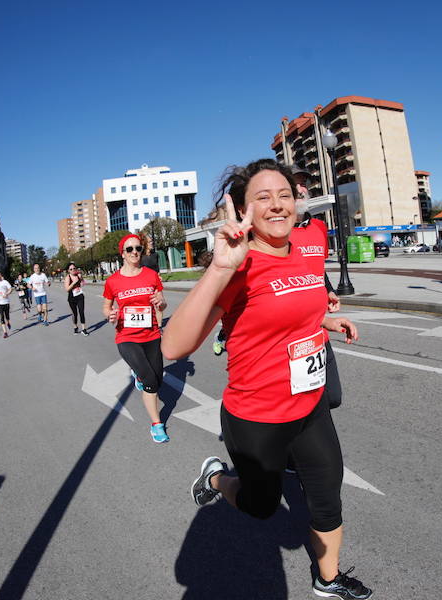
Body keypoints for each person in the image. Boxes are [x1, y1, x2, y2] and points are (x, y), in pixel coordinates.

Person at [162, 159, 372, 599]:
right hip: (257, 415)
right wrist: (219, 268)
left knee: (327, 494)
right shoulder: (239, 265)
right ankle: (216, 479)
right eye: (263, 197)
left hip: (310, 403)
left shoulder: (301, 252)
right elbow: (173, 348)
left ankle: (328, 580)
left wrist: (328, 324)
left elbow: (298, 311)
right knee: (260, 505)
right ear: (243, 210)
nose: (277, 205)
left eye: (284, 195)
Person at [102, 234, 170, 443]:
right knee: (150, 382)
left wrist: (161, 303)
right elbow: (106, 306)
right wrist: (110, 314)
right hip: (126, 337)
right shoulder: (113, 281)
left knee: (157, 380)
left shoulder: (151, 275)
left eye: (138, 249)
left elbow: (162, 304)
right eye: (130, 249)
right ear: (122, 253)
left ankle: (140, 376)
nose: (134, 253)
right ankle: (157, 424)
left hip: (151, 334)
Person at [289, 162, 344, 410]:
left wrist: (329, 290)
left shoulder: (319, 228)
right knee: (304, 403)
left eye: (304, 183)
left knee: (332, 397)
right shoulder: (277, 231)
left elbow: (318, 267)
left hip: (318, 326)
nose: (302, 189)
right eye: (296, 183)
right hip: (291, 331)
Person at [64, 262, 89, 335]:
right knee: (75, 314)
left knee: (81, 312)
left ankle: (83, 329)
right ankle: (75, 327)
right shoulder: (67, 278)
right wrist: (73, 283)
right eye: (71, 269)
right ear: (68, 270)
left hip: (80, 296)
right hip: (72, 298)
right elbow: (67, 289)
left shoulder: (78, 275)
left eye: (74, 268)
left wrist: (82, 279)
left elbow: (83, 284)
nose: (73, 270)